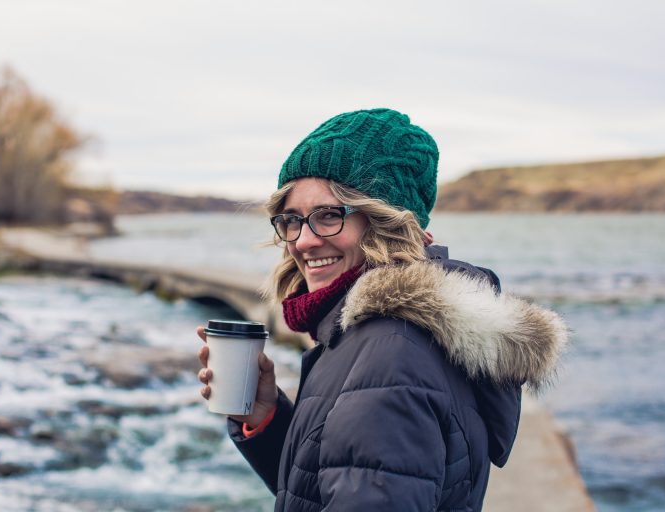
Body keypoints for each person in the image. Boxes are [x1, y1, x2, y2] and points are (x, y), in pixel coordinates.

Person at [197, 108, 567, 511]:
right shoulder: (379, 336)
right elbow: (330, 480)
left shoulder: (390, 353)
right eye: (291, 220)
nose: (302, 241)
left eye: (328, 216)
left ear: (385, 223)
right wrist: (266, 417)